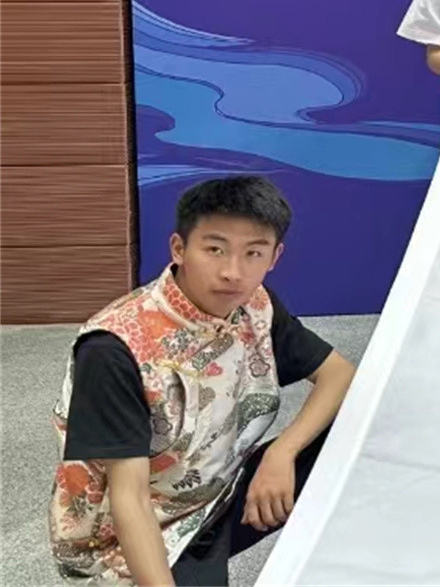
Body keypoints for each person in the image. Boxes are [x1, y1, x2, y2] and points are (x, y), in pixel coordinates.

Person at [50, 177, 356, 586]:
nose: (233, 272)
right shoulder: (114, 348)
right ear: (179, 248)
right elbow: (130, 499)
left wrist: (282, 452)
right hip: (142, 529)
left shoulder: (256, 305)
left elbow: (339, 374)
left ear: (275, 256)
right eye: (215, 249)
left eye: (253, 253)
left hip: (221, 491)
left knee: (365, 425)